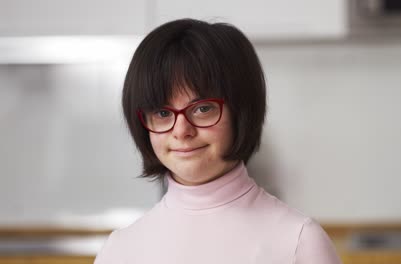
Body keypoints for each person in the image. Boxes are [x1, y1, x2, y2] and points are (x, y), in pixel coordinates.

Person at [94, 18, 341, 264]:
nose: (181, 131)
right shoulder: (120, 251)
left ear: (242, 111)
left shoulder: (299, 242)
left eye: (202, 109)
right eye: (162, 113)